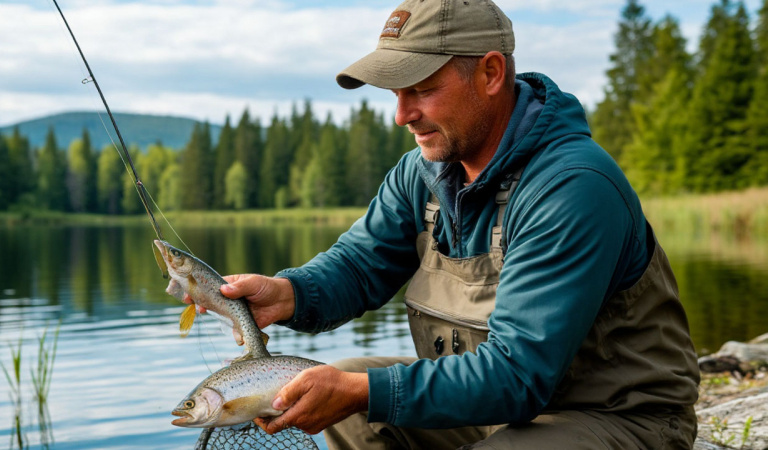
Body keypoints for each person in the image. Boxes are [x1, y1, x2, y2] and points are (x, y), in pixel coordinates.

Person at [184, 0, 700, 448]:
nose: (401, 114)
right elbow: (361, 266)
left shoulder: (573, 187)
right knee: (345, 394)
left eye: (421, 89)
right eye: (394, 94)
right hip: (494, 410)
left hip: (616, 420)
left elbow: (517, 374)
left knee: (359, 391)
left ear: (491, 74)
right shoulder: (422, 171)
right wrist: (288, 294)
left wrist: (366, 393)